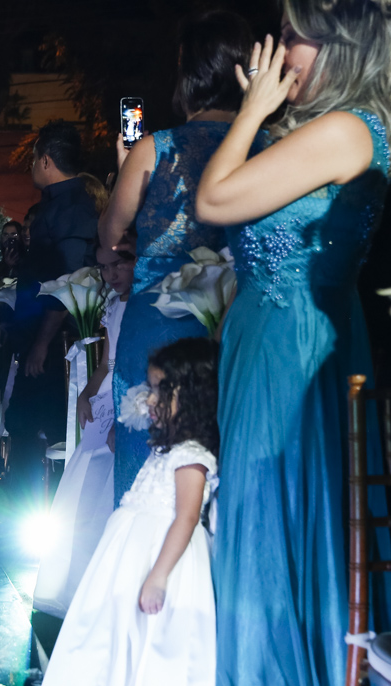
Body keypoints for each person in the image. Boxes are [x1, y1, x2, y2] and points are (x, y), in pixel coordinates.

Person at [195, 6, 391, 686]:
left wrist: (248, 113)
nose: (275, 50)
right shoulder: (327, 129)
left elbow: (214, 201)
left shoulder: (345, 131)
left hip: (294, 346)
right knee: (265, 512)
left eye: (294, 34)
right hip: (272, 339)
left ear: (343, 46)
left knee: (275, 516)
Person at [24, 337, 219, 686]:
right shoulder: (169, 449)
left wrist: (158, 576)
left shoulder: (192, 457)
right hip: (130, 554)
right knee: (118, 641)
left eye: (158, 390)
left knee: (158, 649)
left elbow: (186, 519)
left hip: (159, 560)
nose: (148, 399)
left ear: (189, 395)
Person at [100, 9, 251, 505]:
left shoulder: (155, 148)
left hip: (157, 322)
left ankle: (147, 566)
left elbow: (109, 233)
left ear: (188, 74)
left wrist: (129, 225)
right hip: (236, 313)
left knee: (148, 444)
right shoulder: (266, 146)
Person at [31, 255, 132, 620]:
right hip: (106, 393)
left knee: (109, 488)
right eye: (105, 268)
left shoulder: (146, 305)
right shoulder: (115, 305)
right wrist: (86, 393)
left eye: (121, 264)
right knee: (84, 484)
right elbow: (106, 363)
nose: (111, 274)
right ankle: (75, 583)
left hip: (130, 396)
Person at [3, 123, 98, 504]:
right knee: (23, 424)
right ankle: (21, 504)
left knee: (49, 427)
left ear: (46, 160)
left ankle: (46, 508)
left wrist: (42, 343)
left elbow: (70, 283)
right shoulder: (54, 203)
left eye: (33, 158)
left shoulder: (74, 207)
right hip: (34, 335)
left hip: (55, 341)